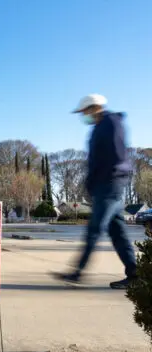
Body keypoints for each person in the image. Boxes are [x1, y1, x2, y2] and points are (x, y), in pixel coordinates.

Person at [53, 94, 137, 289]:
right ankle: (134, 275)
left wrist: (104, 181)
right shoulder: (100, 127)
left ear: (94, 108)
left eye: (84, 111)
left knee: (94, 229)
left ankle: (77, 272)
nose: (83, 116)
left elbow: (115, 156)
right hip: (107, 185)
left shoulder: (111, 124)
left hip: (110, 184)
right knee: (117, 232)